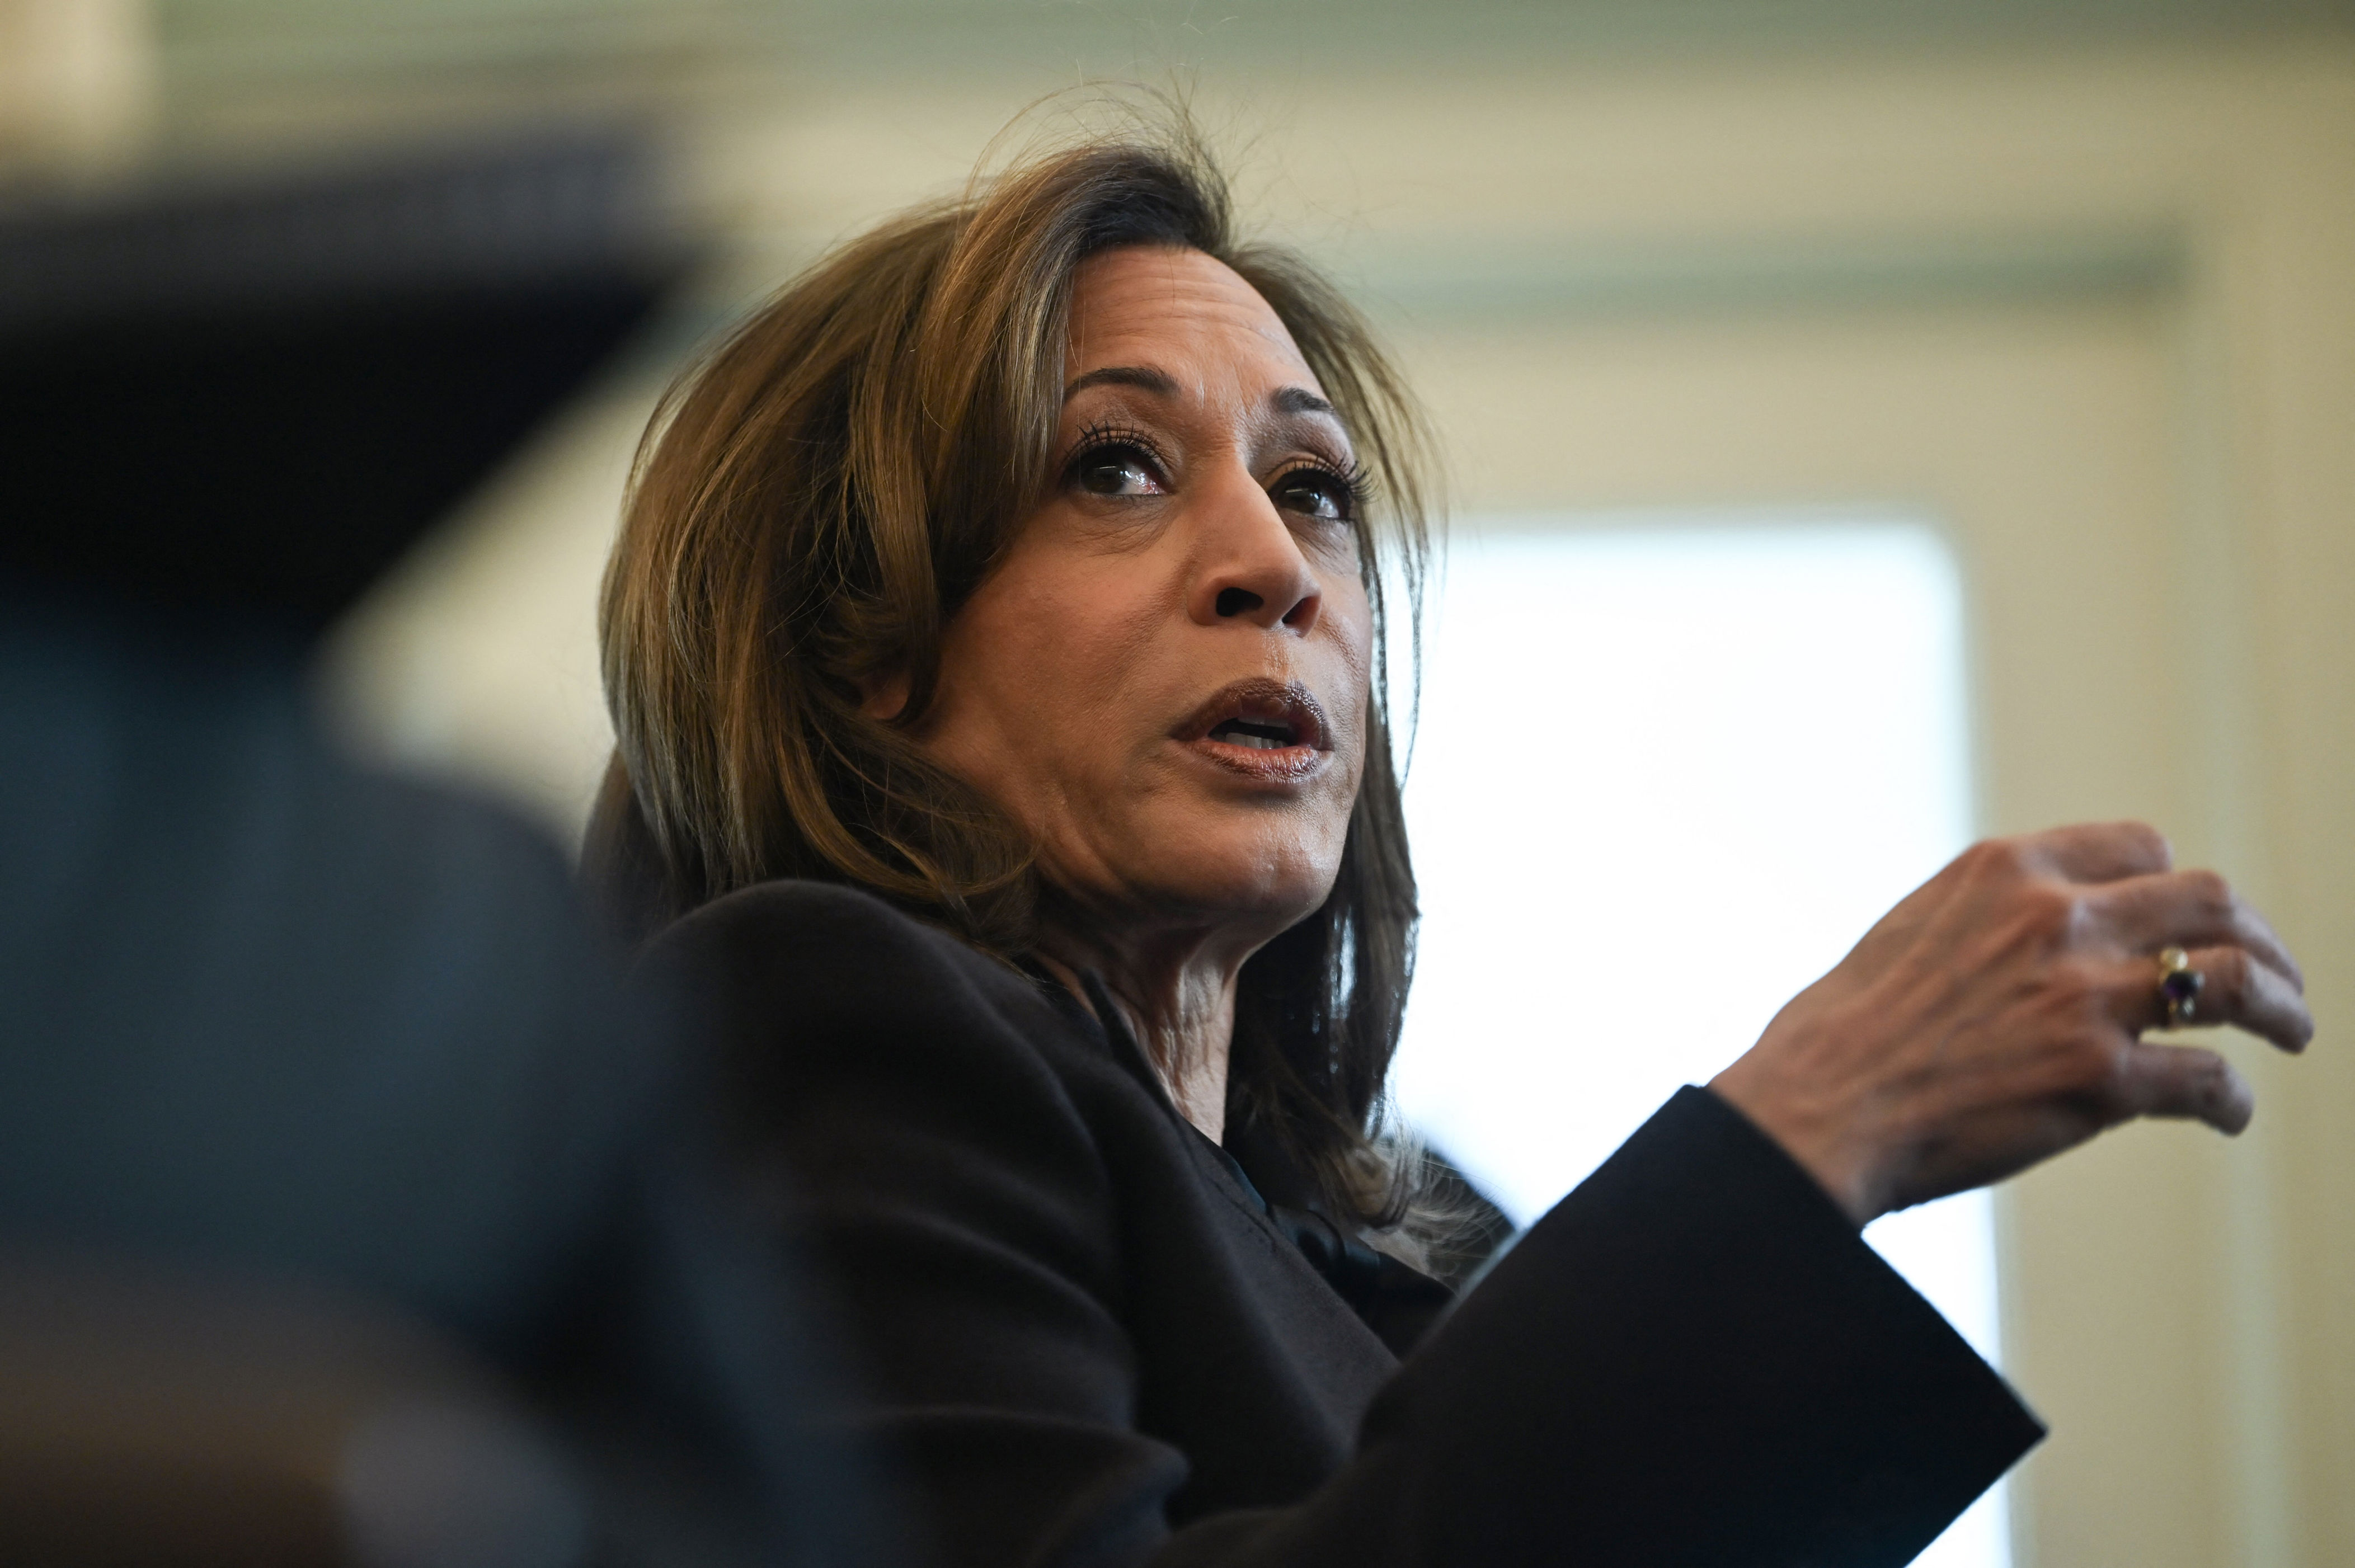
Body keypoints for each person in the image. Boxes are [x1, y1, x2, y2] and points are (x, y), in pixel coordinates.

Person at [590, 124, 2312, 1567]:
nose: (1271, 562)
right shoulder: (814, 1018)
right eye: (1114, 466)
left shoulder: (1404, 1241)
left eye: (1314, 486)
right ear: (857, 644)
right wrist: (1813, 1124)